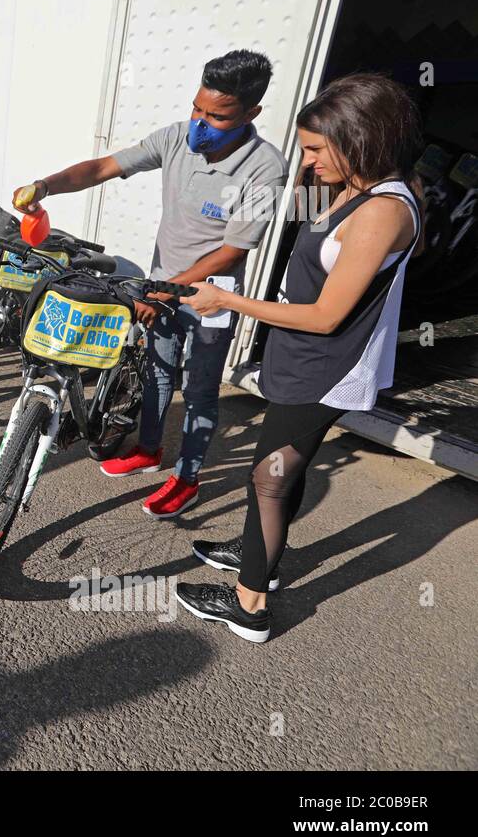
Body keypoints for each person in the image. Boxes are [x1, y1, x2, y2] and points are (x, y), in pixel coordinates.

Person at [176, 73, 423, 644]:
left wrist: (226, 299)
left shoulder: (382, 210)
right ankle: (256, 551)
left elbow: (327, 316)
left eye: (315, 149)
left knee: (269, 477)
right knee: (278, 469)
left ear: (358, 139)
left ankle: (251, 604)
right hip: (300, 355)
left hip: (326, 363)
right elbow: (283, 214)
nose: (308, 162)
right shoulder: (349, 186)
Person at [15, 50, 288, 518]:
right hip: (161, 286)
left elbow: (234, 249)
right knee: (157, 371)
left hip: (210, 296)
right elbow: (103, 167)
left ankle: (187, 478)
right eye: (197, 109)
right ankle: (148, 449)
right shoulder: (176, 139)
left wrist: (165, 289)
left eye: (217, 116)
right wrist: (45, 186)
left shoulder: (265, 168)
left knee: (201, 389)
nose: (200, 123)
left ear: (251, 114)